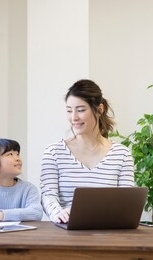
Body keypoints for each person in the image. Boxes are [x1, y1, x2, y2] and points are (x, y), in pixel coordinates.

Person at [40, 79, 134, 223]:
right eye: (69, 111)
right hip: (67, 231)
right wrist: (59, 213)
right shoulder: (53, 153)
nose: (73, 118)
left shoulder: (122, 154)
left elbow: (126, 202)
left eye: (81, 110)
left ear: (99, 110)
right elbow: (48, 196)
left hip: (108, 232)